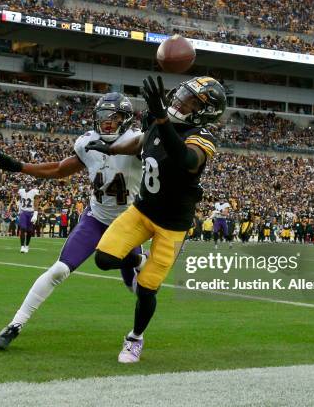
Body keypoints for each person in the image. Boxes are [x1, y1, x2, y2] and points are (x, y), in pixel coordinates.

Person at [0, 92, 144, 350]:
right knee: (60, 269)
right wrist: (20, 166)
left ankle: (138, 333)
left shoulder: (137, 142)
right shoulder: (88, 142)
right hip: (95, 218)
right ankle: (15, 324)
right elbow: (61, 169)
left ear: (125, 119)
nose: (107, 122)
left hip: (127, 224)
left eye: (113, 117)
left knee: (136, 285)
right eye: (103, 116)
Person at [87, 76, 226, 363]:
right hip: (142, 210)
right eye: (182, 93)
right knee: (104, 259)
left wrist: (163, 120)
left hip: (173, 226)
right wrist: (111, 149)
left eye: (189, 99)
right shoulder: (158, 122)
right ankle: (138, 260)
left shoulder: (203, 136)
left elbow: (187, 160)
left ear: (204, 110)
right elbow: (140, 142)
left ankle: (135, 338)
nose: (179, 100)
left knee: (148, 289)